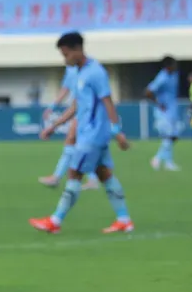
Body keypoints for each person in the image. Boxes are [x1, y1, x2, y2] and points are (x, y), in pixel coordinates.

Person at [30, 32, 133, 235]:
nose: (64, 59)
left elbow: (107, 101)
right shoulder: (80, 73)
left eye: (66, 54)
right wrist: (55, 125)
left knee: (74, 173)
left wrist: (117, 131)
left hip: (92, 135)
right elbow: (77, 105)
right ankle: (124, 220)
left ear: (77, 50)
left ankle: (55, 221)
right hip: (91, 133)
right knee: (105, 175)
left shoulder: (95, 72)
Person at [38, 63, 100, 191]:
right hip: (81, 111)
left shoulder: (84, 71)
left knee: (74, 142)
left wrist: (52, 126)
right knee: (75, 143)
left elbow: (75, 104)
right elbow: (66, 91)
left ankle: (59, 177)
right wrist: (53, 107)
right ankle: (90, 178)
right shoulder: (71, 70)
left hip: (87, 113)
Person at [145, 56, 181, 171]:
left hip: (172, 110)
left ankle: (167, 162)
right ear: (168, 66)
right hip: (163, 112)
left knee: (173, 136)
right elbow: (148, 91)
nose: (176, 67)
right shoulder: (162, 77)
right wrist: (158, 103)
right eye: (174, 65)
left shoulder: (174, 75)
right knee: (169, 136)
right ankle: (157, 159)